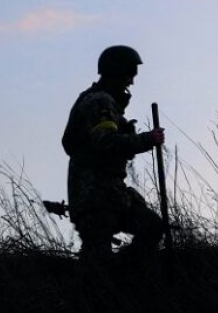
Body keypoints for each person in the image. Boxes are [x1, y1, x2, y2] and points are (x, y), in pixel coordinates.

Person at [61, 45, 166, 266]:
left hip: (110, 194)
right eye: (130, 75)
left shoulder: (103, 102)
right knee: (98, 262)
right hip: (95, 197)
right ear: (118, 72)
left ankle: (122, 276)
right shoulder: (100, 102)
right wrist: (148, 139)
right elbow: (106, 142)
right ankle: (110, 283)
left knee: (152, 226)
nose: (132, 82)